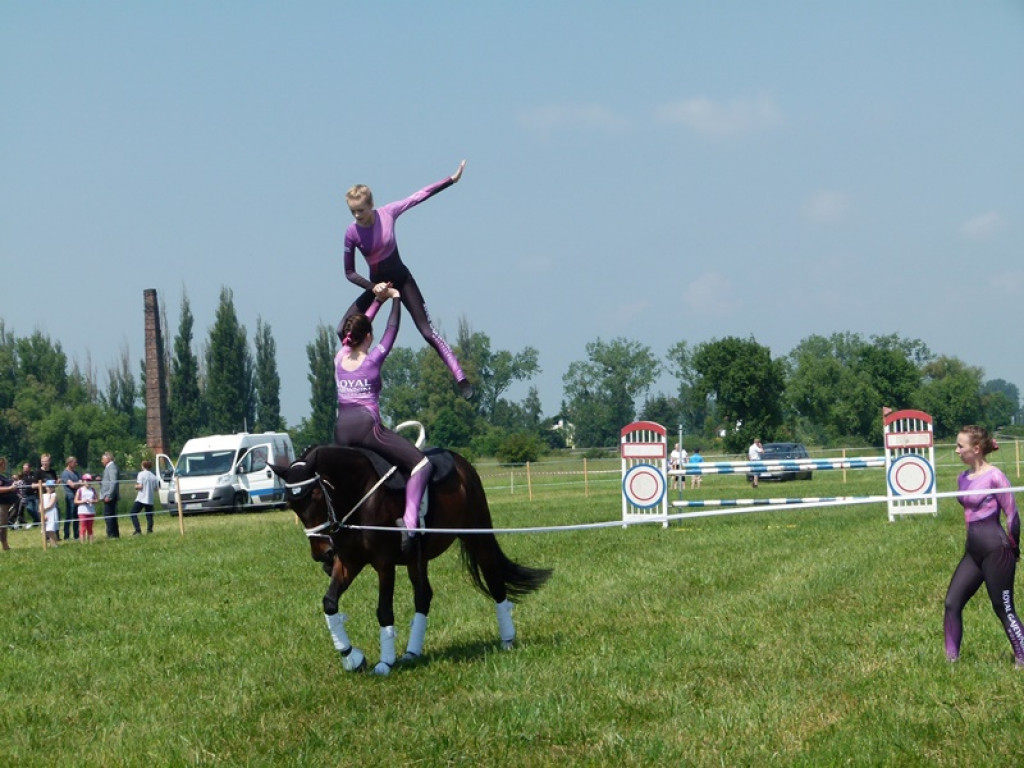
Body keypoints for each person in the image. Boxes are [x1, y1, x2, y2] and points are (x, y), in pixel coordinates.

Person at [341, 160, 473, 399]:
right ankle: (360, 374)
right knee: (342, 329)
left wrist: (451, 180)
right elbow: (349, 272)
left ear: (371, 205)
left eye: (361, 209)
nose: (357, 216)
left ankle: (460, 377)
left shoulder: (388, 213)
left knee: (427, 332)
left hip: (402, 280)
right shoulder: (351, 233)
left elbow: (418, 196)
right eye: (353, 211)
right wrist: (374, 288)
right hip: (377, 288)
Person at [335, 288, 431, 554]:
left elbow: (354, 327)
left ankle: (336, 531)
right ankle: (410, 523)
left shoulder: (340, 357)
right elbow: (393, 328)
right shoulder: (373, 358)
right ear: (368, 336)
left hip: (341, 431)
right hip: (368, 429)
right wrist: (397, 298)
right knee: (421, 464)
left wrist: (378, 299)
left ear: (348, 337)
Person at [943, 425, 1024, 667]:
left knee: (1003, 607)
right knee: (952, 603)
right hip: (974, 551)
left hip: (996, 550)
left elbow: (1012, 516)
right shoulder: (962, 478)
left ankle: (1023, 656)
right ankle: (951, 661)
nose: (956, 450)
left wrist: (1015, 549)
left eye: (960, 446)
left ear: (976, 449)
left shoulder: (995, 476)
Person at [129, 460, 160, 535]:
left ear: (143, 466)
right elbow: (156, 488)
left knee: (133, 513)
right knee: (149, 515)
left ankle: (138, 530)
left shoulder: (141, 474)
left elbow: (140, 486)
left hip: (141, 498)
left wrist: (135, 486)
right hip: (150, 498)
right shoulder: (154, 476)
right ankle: (150, 530)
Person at [60, 456, 83, 541]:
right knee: (69, 516)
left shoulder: (76, 473)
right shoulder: (65, 474)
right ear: (69, 463)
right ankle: (67, 535)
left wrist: (77, 484)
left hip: (78, 497)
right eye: (74, 462)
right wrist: (78, 484)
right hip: (70, 497)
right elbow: (72, 485)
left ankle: (76, 535)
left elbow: (81, 482)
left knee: (76, 516)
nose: (76, 464)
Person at [99, 451, 120, 538]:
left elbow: (113, 482)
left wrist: (109, 495)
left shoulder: (111, 467)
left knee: (108, 515)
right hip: (109, 495)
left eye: (102, 459)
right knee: (111, 514)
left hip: (110, 496)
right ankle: (114, 533)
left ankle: (111, 534)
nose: (101, 461)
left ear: (107, 459)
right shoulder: (109, 467)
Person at [75, 474, 98, 543]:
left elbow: (97, 500)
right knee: (83, 527)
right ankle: (82, 543)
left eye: (89, 480)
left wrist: (93, 501)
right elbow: (75, 501)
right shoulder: (80, 490)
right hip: (82, 511)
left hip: (91, 511)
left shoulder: (93, 490)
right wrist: (82, 501)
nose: (88, 482)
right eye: (86, 480)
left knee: (90, 527)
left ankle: (91, 542)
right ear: (83, 481)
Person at [0, 457, 17, 552]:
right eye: (4, 465)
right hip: (1, 504)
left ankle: (5, 546)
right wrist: (10, 488)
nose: (5, 466)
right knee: (1, 526)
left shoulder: (2, 476)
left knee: (3, 526)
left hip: (5, 504)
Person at [17, 462, 40, 529]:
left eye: (26, 469)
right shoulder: (22, 476)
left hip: (35, 495)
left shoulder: (34, 474)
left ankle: (37, 522)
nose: (25, 470)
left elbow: (36, 482)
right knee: (29, 509)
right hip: (27, 496)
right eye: (24, 469)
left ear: (30, 468)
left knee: (36, 510)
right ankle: (38, 520)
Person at [42, 479, 60, 547]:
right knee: (45, 530)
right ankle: (46, 544)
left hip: (51, 512)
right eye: (48, 486)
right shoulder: (43, 495)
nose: (49, 488)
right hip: (44, 513)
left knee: (51, 530)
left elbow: (51, 505)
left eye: (51, 487)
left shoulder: (54, 495)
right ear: (46, 487)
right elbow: (41, 504)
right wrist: (41, 512)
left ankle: (54, 544)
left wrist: (43, 509)